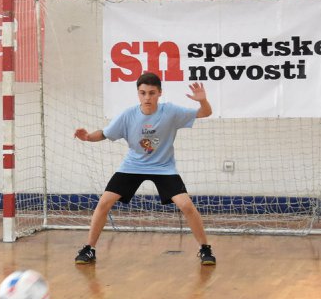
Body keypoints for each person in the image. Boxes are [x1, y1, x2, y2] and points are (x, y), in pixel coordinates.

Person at [72, 72, 216, 266]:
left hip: (163, 167)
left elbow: (205, 113)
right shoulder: (128, 115)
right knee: (104, 202)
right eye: (143, 93)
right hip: (133, 166)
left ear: (159, 93)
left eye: (152, 93)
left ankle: (205, 248)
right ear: (138, 93)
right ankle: (89, 248)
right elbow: (105, 133)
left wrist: (203, 101)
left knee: (186, 206)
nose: (147, 97)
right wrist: (88, 137)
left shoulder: (170, 112)